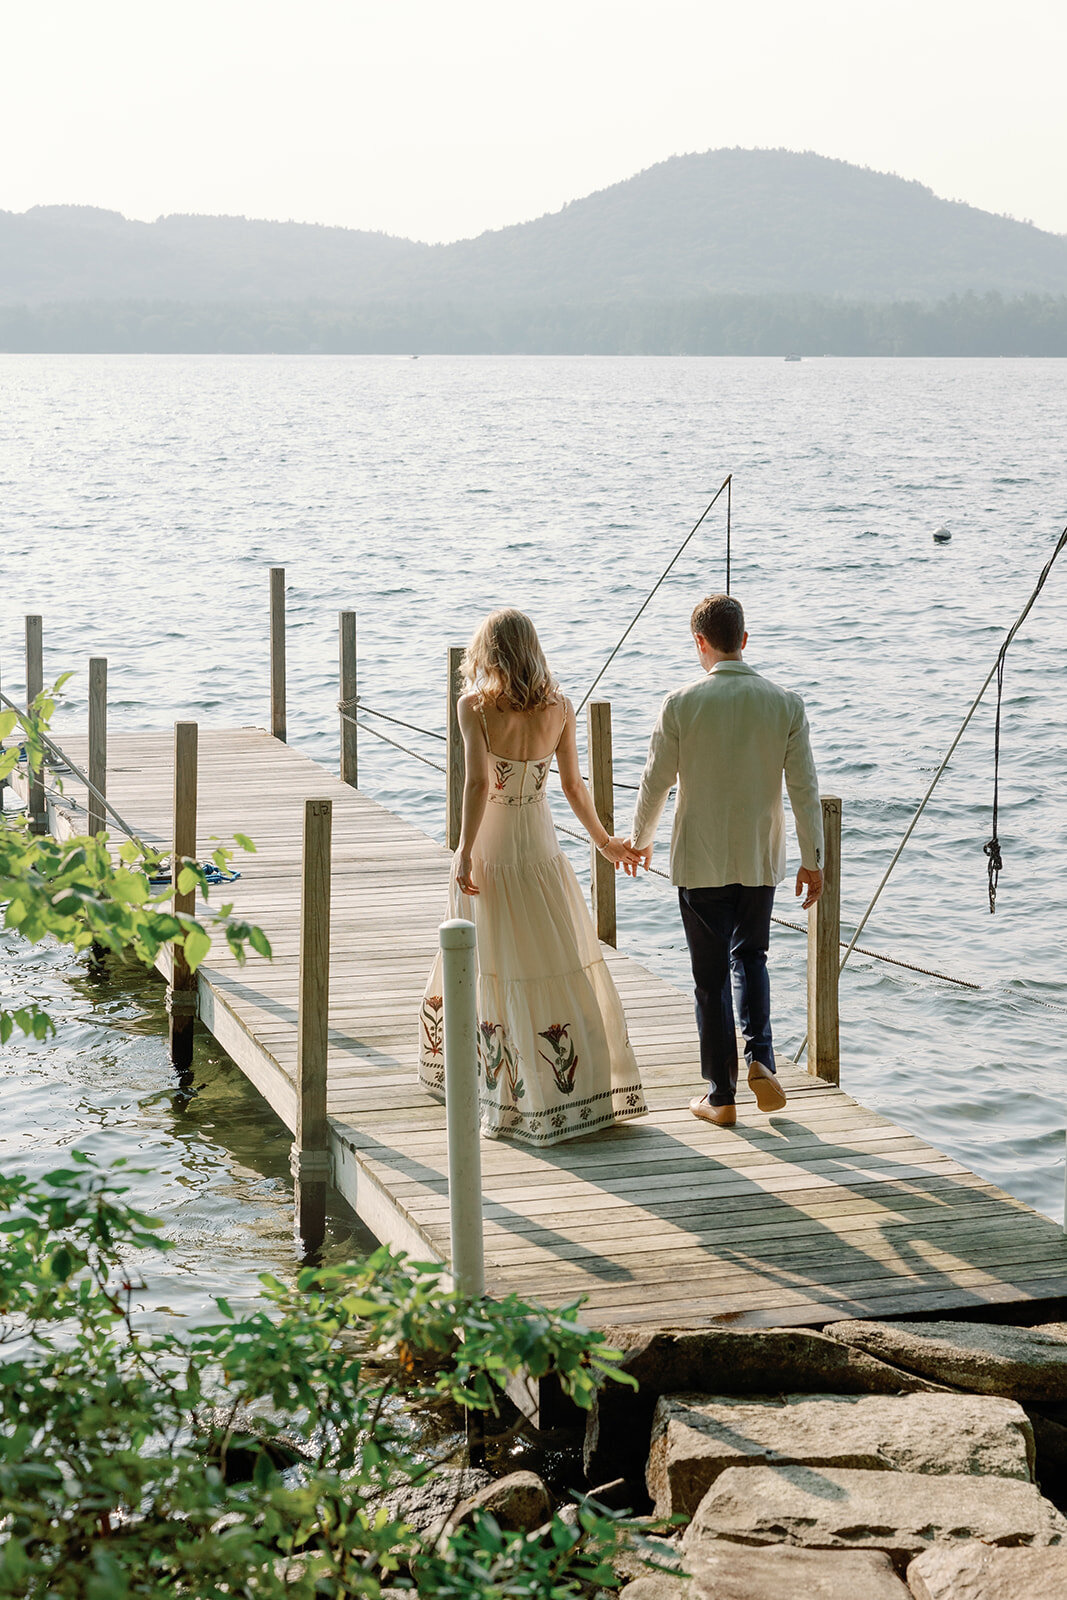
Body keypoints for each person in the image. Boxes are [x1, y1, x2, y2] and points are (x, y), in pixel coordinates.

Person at [418, 608, 648, 1146]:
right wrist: (603, 841)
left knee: (492, 959)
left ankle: (503, 1089)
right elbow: (572, 786)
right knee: (554, 959)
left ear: (488, 652)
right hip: (541, 849)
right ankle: (576, 1092)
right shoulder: (561, 708)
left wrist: (464, 850)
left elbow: (478, 785)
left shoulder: (473, 708)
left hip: (493, 847)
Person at [628, 593, 824, 1127]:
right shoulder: (786, 703)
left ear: (700, 642)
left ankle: (722, 1097)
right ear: (744, 638)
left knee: (709, 978)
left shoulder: (680, 703)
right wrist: (814, 859)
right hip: (759, 859)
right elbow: (805, 789)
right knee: (752, 957)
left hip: (700, 860)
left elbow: (655, 781)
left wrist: (639, 839)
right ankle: (761, 1054)